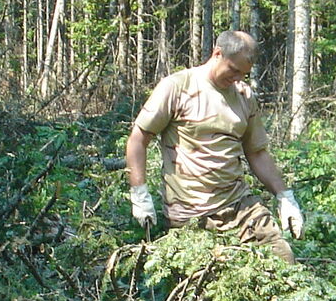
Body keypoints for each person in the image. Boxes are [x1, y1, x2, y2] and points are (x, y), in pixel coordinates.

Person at [126, 30, 304, 262]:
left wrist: (285, 196)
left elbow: (257, 152)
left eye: (244, 74)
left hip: (240, 205)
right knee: (208, 287)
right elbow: (138, 139)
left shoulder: (244, 96)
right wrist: (139, 193)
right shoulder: (178, 87)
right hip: (190, 213)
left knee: (282, 259)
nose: (238, 79)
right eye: (233, 70)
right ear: (217, 54)